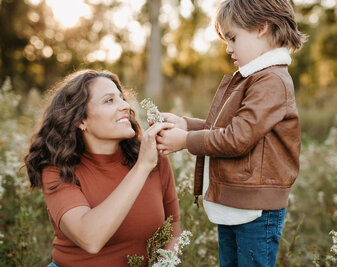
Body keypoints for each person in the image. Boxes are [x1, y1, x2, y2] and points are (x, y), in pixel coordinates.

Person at [155, 0, 306, 266]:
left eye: (233, 38)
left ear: (262, 27)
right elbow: (229, 129)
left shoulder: (271, 80)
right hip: (237, 205)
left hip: (256, 211)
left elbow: (237, 138)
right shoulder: (253, 77)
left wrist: (185, 141)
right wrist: (185, 125)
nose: (228, 47)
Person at [24, 69, 180, 267]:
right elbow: (90, 238)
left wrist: (165, 264)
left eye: (122, 98)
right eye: (109, 100)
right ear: (81, 120)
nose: (125, 106)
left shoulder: (155, 158)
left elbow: (173, 228)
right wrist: (141, 168)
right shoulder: (57, 170)